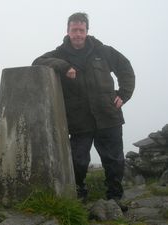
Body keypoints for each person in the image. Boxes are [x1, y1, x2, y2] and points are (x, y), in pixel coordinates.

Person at [32, 12, 135, 207]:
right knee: (78, 161)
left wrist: (124, 94)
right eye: (74, 30)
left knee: (113, 159)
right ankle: (79, 192)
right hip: (79, 120)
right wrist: (63, 66)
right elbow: (38, 61)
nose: (78, 34)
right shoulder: (59, 54)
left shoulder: (103, 51)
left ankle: (115, 196)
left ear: (87, 31)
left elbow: (126, 69)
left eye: (81, 30)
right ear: (68, 31)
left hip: (108, 114)